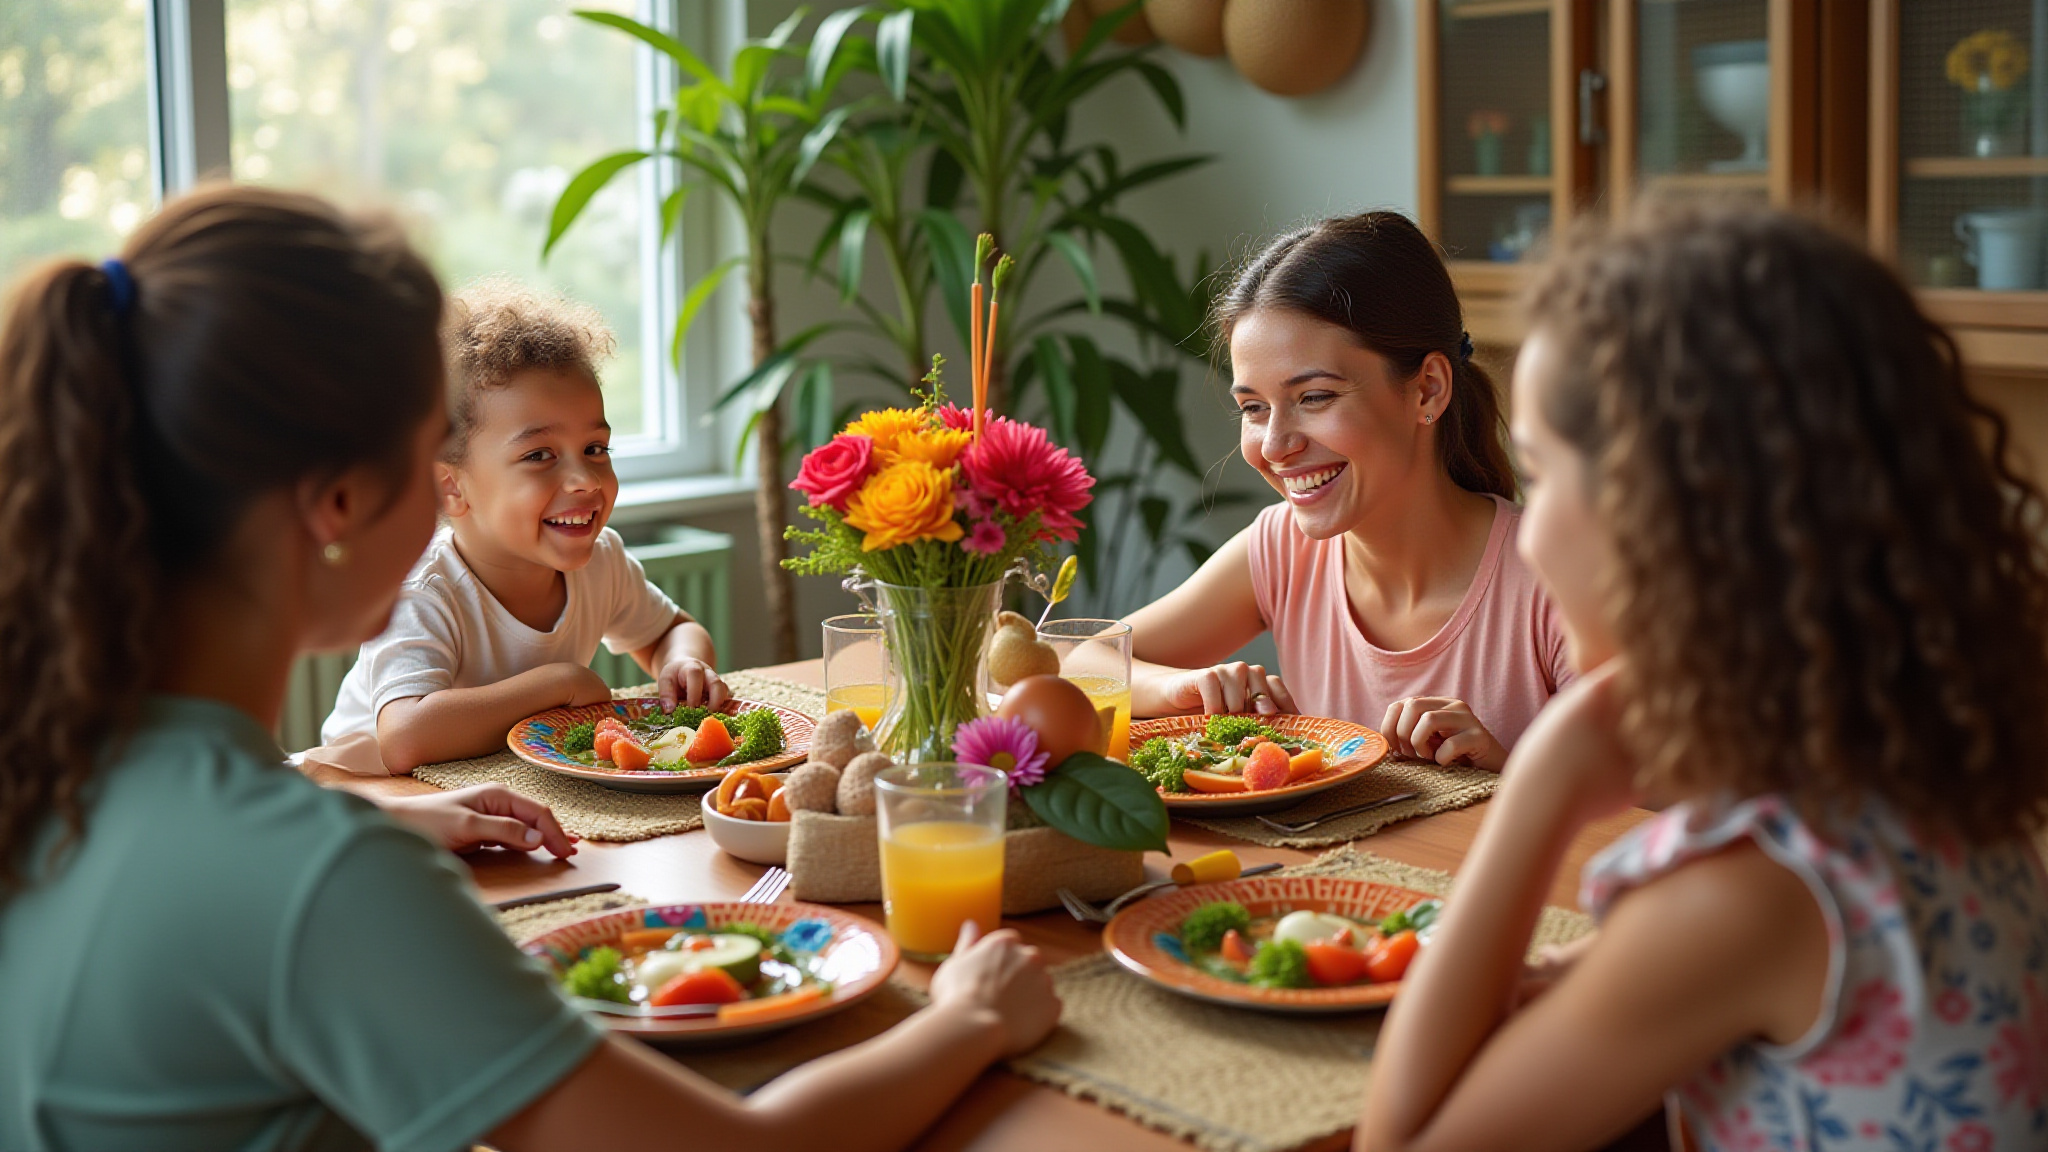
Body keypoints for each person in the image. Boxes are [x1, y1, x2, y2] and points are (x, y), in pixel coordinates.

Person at [0, 185, 1059, 1152]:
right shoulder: (324, 884)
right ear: (340, 503)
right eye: (428, 445)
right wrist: (967, 1019)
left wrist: (376, 817)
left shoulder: (52, 763)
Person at [1359, 202, 2048, 1151]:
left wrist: (1541, 785)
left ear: (1662, 520)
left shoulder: (1750, 892)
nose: (1531, 531)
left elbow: (1400, 1145)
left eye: (1543, 476)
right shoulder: (1925, 783)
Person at [1127, 211, 1572, 770]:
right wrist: (1179, 689)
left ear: (1427, 390)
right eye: (1253, 408)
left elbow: (1661, 810)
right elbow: (1068, 658)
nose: (1275, 445)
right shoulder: (1282, 551)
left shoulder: (1558, 578)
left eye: (1314, 397)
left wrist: (1503, 771)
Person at [312, 278, 727, 775]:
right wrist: (559, 683)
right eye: (539, 455)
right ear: (450, 488)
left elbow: (672, 631)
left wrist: (682, 664)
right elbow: (404, 738)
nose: (584, 479)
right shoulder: (421, 591)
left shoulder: (603, 562)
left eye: (595, 448)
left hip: (490, 782)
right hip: (369, 792)